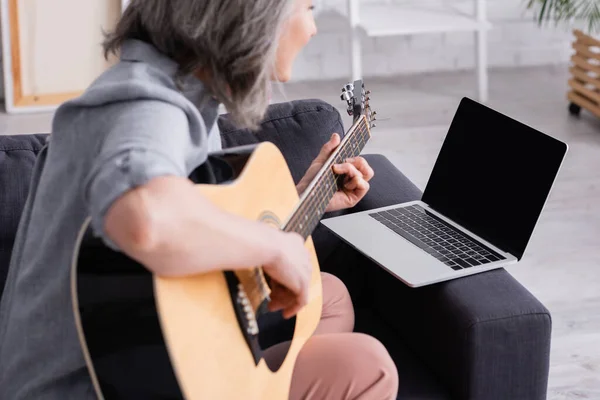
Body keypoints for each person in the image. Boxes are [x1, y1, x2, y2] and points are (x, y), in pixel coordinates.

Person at [0, 0, 399, 399]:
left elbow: (198, 223)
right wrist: (275, 246)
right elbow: (145, 219)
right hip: (95, 383)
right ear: (252, 14)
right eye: (308, 7)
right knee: (369, 366)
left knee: (329, 297)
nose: (312, 28)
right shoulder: (147, 106)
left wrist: (307, 194)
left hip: (146, 333)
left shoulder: (180, 94)